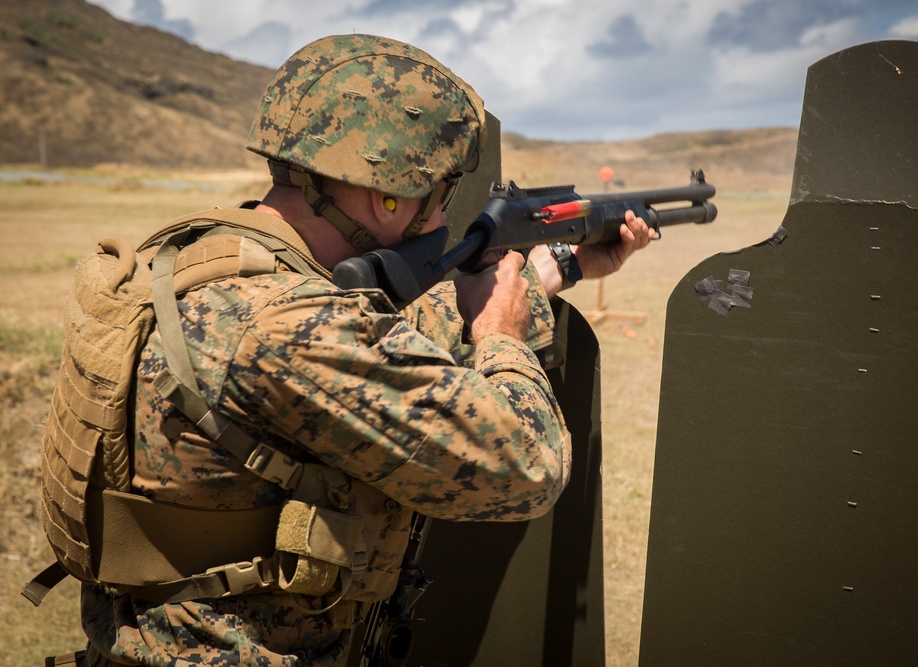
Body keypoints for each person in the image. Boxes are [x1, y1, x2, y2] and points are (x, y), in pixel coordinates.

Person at [78, 33, 652, 666]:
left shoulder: (205, 258)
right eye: (439, 195)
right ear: (388, 193)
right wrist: (501, 337)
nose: (439, 221)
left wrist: (552, 271)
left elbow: (371, 341)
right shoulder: (285, 332)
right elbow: (525, 469)